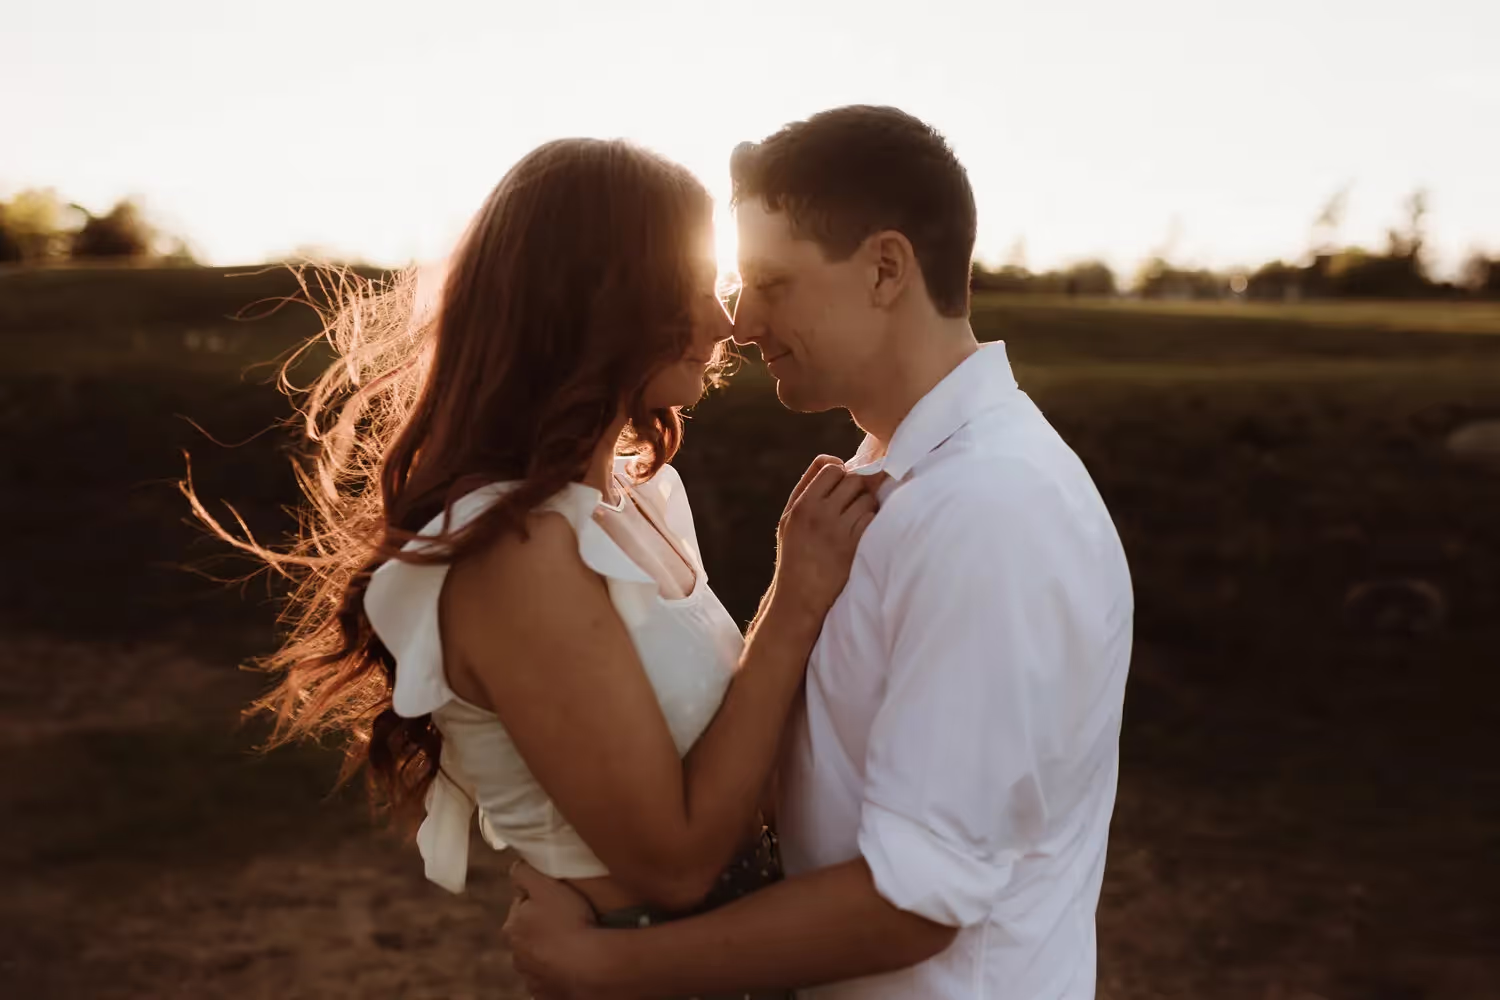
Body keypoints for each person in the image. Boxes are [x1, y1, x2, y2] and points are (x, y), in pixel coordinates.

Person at [188, 138, 878, 1000]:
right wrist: (795, 600)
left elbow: (738, 769)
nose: (725, 322)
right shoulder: (511, 553)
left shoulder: (641, 505)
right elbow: (674, 861)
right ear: (600, 303)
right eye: (692, 289)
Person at [503, 106, 1135, 999]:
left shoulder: (990, 510)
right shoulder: (885, 480)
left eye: (771, 282)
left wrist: (612, 965)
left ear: (885, 269)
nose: (740, 322)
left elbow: (918, 897)